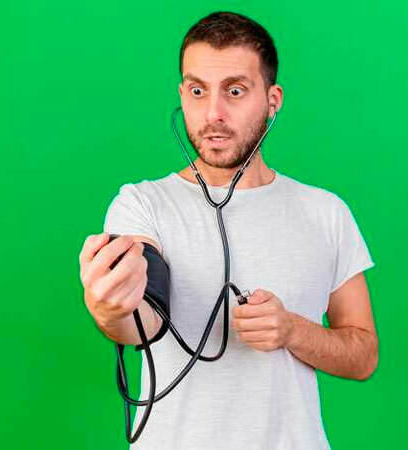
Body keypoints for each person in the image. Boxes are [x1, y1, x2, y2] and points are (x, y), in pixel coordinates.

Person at [78, 11, 378, 450]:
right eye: (198, 91)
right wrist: (110, 308)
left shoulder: (326, 213)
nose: (213, 113)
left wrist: (292, 330)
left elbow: (363, 355)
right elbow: (141, 318)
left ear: (272, 100)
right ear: (182, 95)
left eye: (235, 90)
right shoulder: (142, 205)